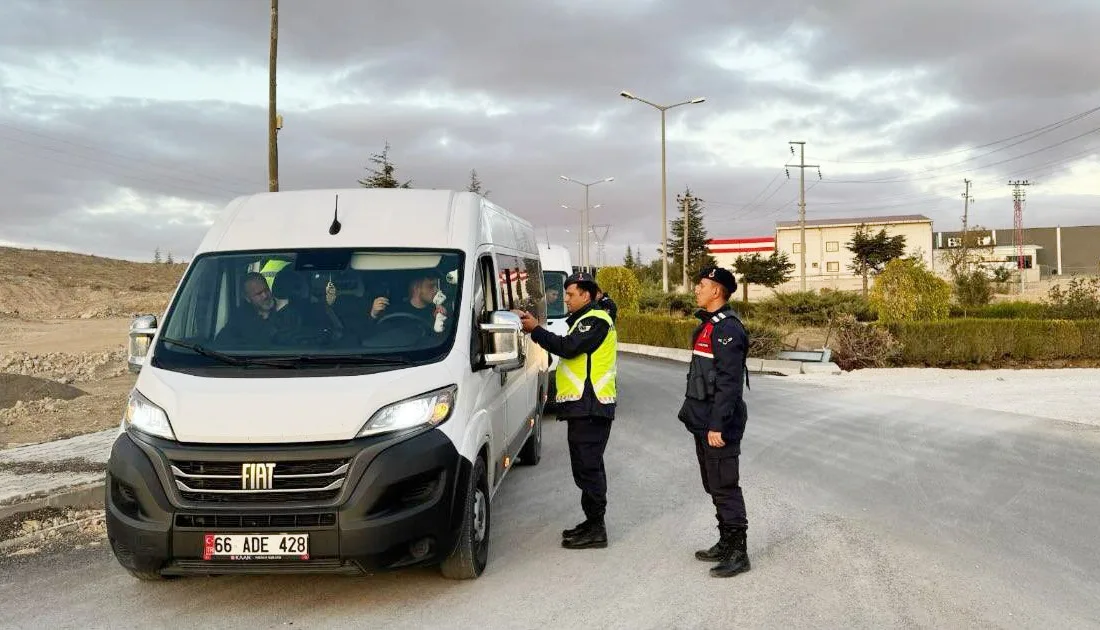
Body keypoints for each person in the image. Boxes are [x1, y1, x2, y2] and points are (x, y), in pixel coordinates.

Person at [517, 272, 617, 550]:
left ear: (586, 295)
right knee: (584, 468)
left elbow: (568, 348)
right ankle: (591, 522)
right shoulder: (584, 321)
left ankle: (597, 528)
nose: (567, 300)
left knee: (589, 468)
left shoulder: (596, 320)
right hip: (582, 407)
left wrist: (536, 329)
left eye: (571, 295)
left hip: (592, 405)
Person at [677, 266, 751, 578]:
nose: (696, 289)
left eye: (702, 285)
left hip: (717, 423)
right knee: (713, 485)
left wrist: (718, 425)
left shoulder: (728, 328)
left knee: (725, 485)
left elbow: (729, 384)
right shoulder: (709, 325)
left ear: (717, 291)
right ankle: (725, 541)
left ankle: (738, 551)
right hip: (703, 420)